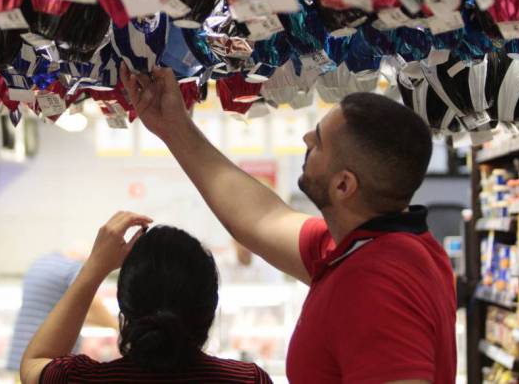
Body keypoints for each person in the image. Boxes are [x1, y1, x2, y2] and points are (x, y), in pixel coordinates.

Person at [120, 65, 456, 384]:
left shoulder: (380, 285)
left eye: (320, 141)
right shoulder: (365, 248)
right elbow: (260, 218)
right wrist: (174, 127)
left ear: (343, 185)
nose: (306, 138)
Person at [20, 211, 273, 384]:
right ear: (210, 306)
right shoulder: (249, 380)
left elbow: (35, 363)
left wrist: (94, 268)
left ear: (125, 305)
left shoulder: (82, 379)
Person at [6, 252, 117, 373]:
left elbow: (76, 313)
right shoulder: (75, 269)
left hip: (21, 359)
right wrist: (118, 327)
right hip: (45, 366)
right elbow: (92, 304)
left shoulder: (40, 264)